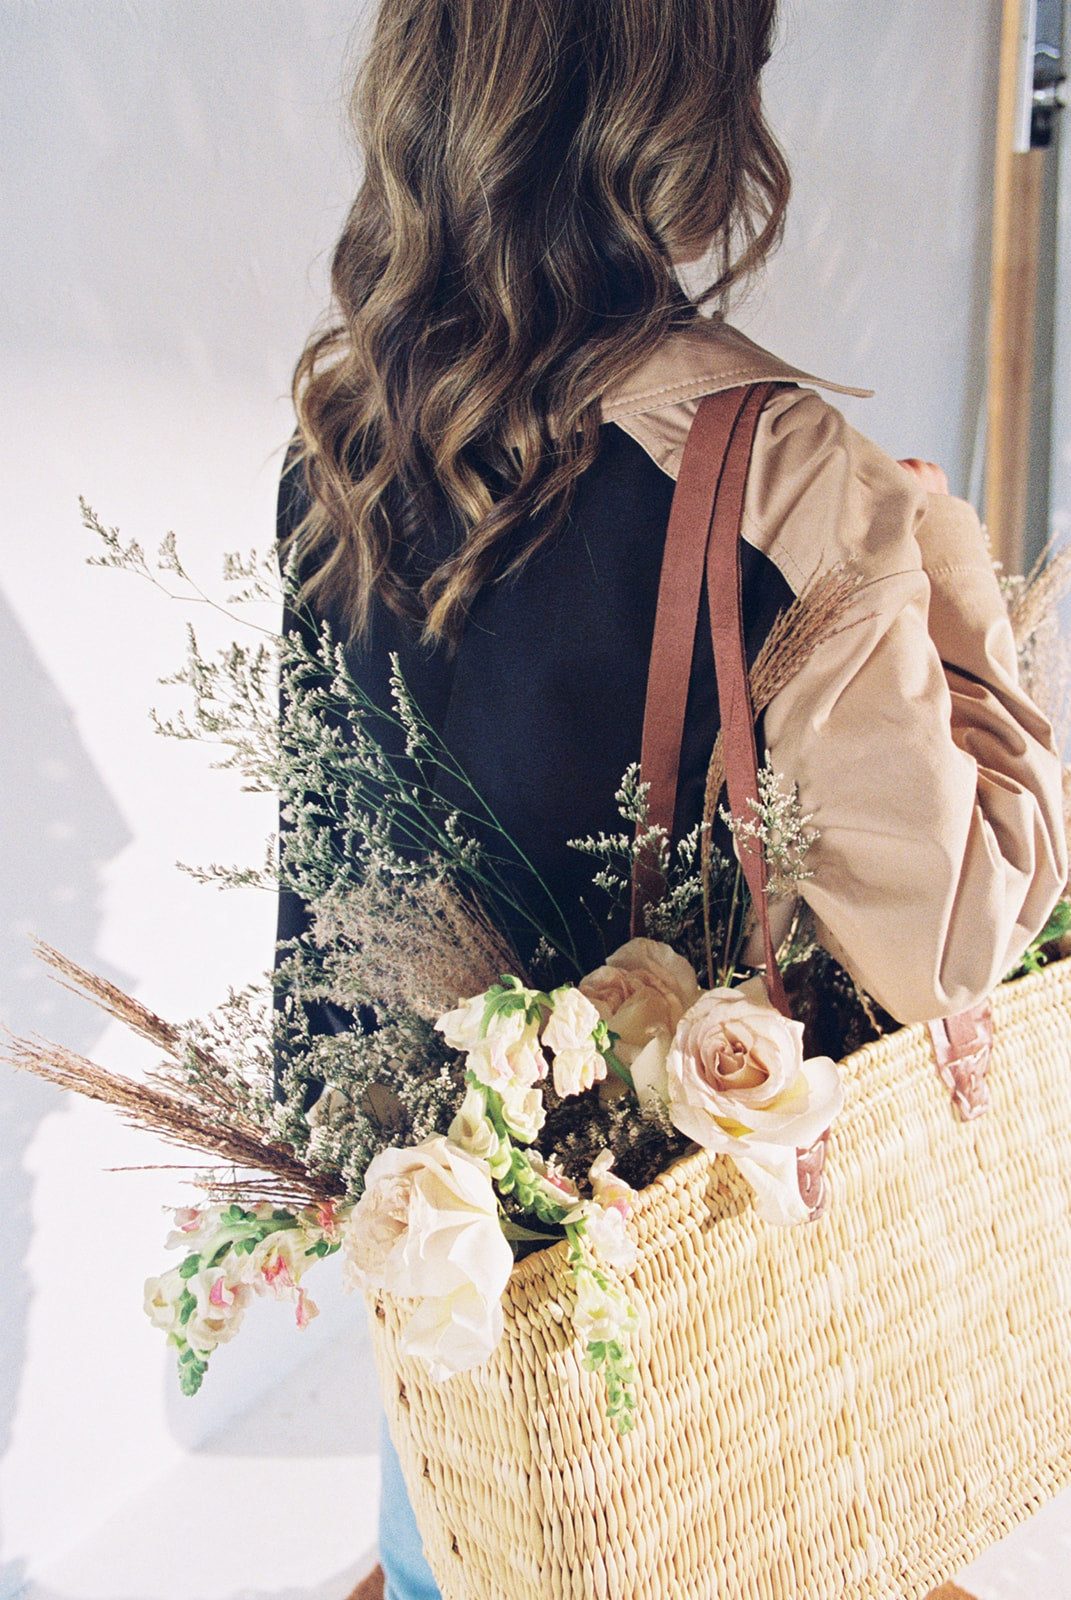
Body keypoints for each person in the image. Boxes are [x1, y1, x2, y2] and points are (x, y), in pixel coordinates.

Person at [274, 2, 1068, 1596]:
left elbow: (325, 913)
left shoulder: (343, 435)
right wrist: (952, 561)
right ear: (687, 106)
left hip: (479, 1344)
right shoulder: (779, 463)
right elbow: (957, 944)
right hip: (708, 1351)